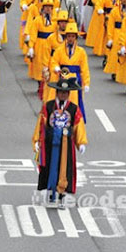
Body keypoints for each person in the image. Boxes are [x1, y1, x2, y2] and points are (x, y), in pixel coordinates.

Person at [33, 71, 87, 208]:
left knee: (65, 168)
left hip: (66, 144)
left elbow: (78, 124)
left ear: (69, 94)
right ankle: (51, 192)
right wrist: (37, 140)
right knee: (49, 166)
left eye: (65, 92)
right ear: (56, 92)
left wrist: (80, 142)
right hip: (50, 142)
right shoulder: (48, 106)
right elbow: (41, 124)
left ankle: (62, 195)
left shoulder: (74, 108)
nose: (63, 95)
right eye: (61, 92)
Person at [52, 21, 91, 121]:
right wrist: (56, 67)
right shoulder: (59, 50)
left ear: (76, 38)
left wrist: (86, 83)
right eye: (68, 36)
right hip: (63, 79)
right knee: (62, 100)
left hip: (75, 80)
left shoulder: (81, 52)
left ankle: (75, 122)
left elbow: (84, 68)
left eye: (73, 36)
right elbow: (54, 61)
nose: (70, 39)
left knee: (75, 102)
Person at [105, 0, 126, 80]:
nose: (124, 0)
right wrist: (110, 38)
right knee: (115, 54)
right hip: (117, 33)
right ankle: (115, 71)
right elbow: (110, 25)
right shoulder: (115, 11)